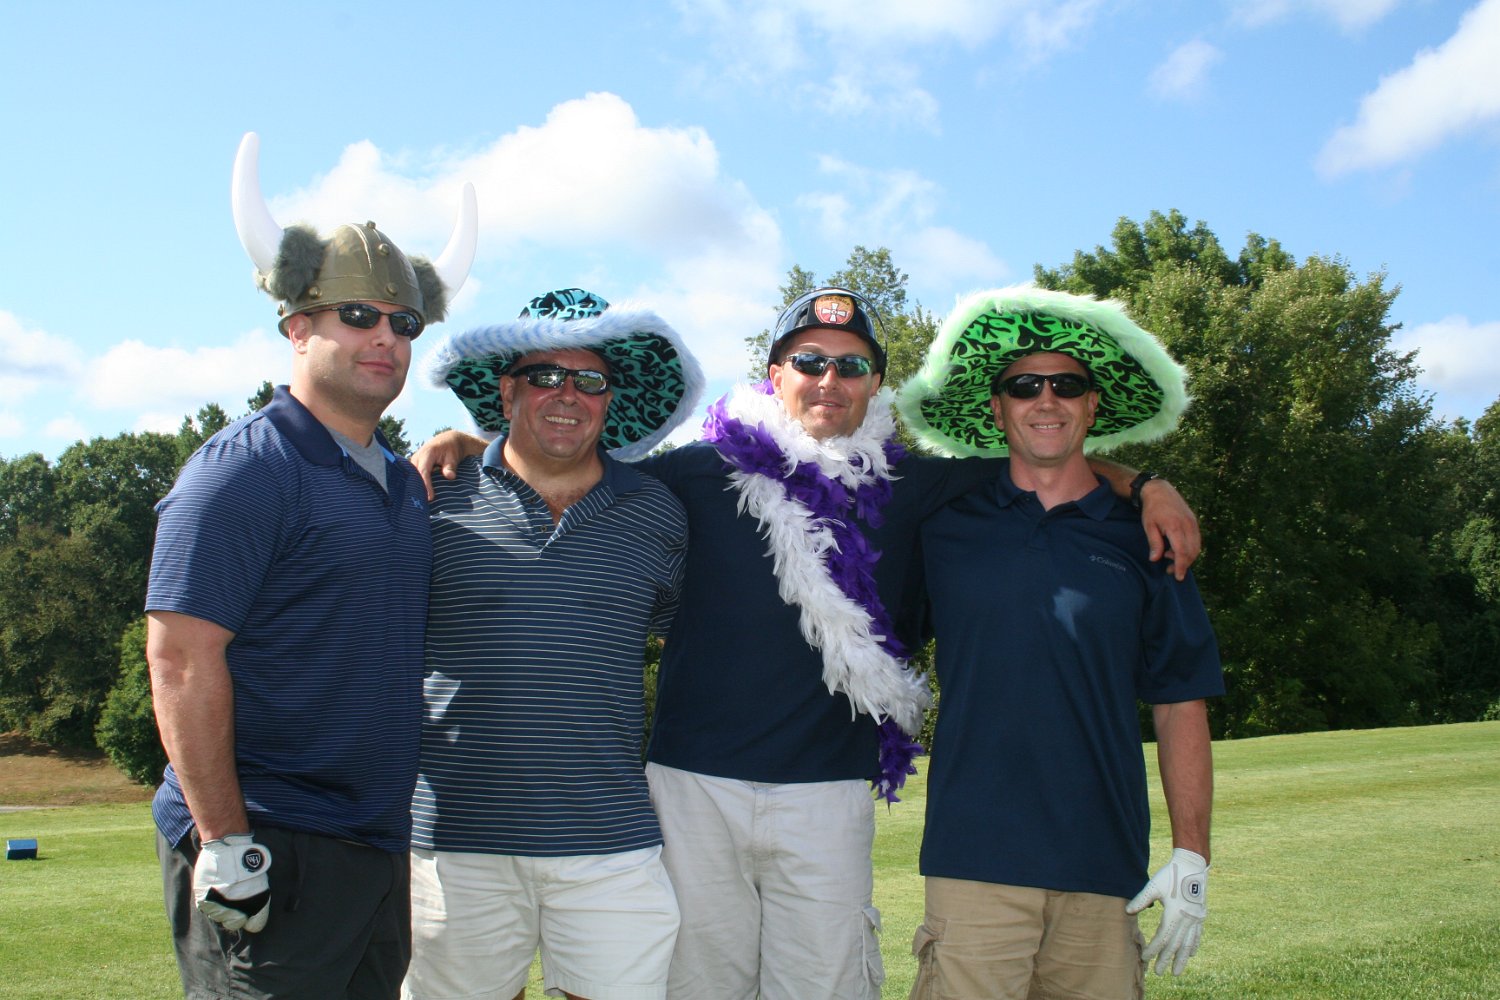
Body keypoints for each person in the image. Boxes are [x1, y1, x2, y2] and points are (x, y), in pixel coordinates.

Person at [413, 287, 1201, 1000]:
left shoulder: (916, 486)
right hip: (692, 789)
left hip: (829, 794)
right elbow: (572, 456)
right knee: (696, 986)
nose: (829, 380)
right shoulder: (694, 472)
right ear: (774, 375)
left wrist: (1146, 484)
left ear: (874, 384)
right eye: (809, 362)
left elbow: (1045, 457)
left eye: (850, 366)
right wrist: (468, 443)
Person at [145, 132, 475, 1000]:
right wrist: (224, 841)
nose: (385, 338)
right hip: (268, 838)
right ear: (297, 326)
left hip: (373, 843)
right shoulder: (245, 468)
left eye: (403, 323)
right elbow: (180, 659)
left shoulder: (401, 482)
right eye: (356, 315)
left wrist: (482, 446)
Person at [895, 286, 1224, 999]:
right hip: (973, 862)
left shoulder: (1149, 536)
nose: (1046, 400)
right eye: (1024, 387)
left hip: (1104, 869)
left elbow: (1180, 701)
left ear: (1092, 406)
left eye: (1066, 386)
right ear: (997, 409)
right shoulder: (943, 523)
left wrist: (1192, 857)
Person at [400, 288, 705, 1000]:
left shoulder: (658, 513)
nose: (568, 395)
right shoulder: (432, 496)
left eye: (589, 380)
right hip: (455, 841)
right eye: (544, 376)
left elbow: (678, 632)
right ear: (507, 392)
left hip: (610, 840)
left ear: (609, 400)